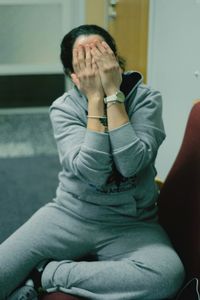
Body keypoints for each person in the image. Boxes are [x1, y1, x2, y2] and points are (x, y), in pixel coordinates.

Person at [0, 24, 185, 300]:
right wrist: (96, 99)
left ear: (115, 58)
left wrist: (113, 95)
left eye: (100, 54)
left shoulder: (147, 100)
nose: (95, 64)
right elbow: (93, 172)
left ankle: (46, 274)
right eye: (84, 60)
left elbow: (130, 164)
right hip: (70, 214)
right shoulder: (65, 108)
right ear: (73, 75)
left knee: (167, 276)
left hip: (132, 222)